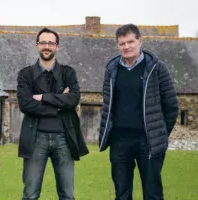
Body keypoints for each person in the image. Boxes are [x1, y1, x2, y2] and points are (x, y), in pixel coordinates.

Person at [99, 24, 179, 200]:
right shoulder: (111, 69)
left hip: (147, 141)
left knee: (152, 194)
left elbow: (172, 106)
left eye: (130, 42)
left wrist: (160, 134)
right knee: (122, 194)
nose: (126, 47)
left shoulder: (157, 68)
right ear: (118, 45)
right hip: (119, 141)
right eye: (122, 44)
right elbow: (108, 104)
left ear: (140, 41)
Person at [16, 27, 89, 200]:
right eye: (43, 42)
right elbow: (26, 104)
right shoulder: (25, 74)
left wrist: (43, 97)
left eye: (51, 43)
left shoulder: (68, 72)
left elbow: (73, 99)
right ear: (37, 46)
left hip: (64, 139)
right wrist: (58, 105)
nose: (47, 46)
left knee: (67, 195)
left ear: (57, 47)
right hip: (35, 139)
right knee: (30, 194)